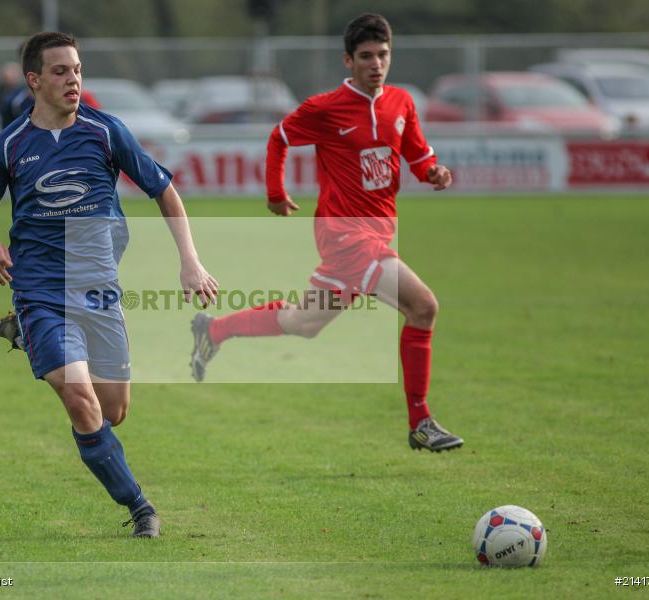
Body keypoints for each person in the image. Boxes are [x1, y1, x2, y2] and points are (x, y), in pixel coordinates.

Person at [0, 31, 218, 538]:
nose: (73, 79)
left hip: (99, 290)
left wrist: (189, 260)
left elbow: (163, 190)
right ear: (34, 81)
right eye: (60, 71)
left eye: (77, 69)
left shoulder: (106, 133)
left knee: (113, 411)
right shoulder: (10, 145)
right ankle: (140, 507)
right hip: (40, 290)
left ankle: (24, 336)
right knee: (80, 399)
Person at [189, 14, 463, 453]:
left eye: (383, 55)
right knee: (423, 307)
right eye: (367, 56)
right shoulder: (326, 108)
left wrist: (433, 172)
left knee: (305, 322)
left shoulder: (401, 103)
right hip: (345, 235)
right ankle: (421, 422)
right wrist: (276, 193)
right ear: (349, 61)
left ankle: (214, 330)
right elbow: (278, 137)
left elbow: (416, 152)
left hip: (378, 234)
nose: (377, 64)